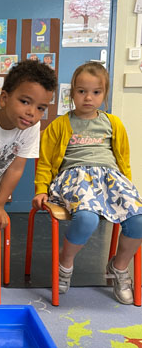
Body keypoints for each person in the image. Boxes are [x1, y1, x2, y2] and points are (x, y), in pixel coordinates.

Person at [33, 62, 142, 304]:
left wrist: (128, 191)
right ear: (72, 93)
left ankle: (119, 267)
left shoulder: (113, 123)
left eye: (96, 92)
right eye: (81, 91)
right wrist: (41, 189)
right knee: (86, 217)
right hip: (74, 179)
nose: (88, 98)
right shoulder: (60, 125)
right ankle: (65, 263)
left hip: (110, 179)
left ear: (104, 94)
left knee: (138, 218)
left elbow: (123, 160)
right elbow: (45, 163)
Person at [0, 60, 57, 270]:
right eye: (25, 102)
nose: (32, 113)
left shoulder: (30, 129)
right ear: (4, 98)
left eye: (40, 108)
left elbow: (16, 168)